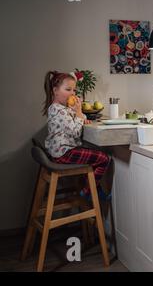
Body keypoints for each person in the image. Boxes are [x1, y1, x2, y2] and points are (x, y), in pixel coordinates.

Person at [42, 71, 110, 199]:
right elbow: (76, 132)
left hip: (61, 151)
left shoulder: (61, 109)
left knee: (92, 158)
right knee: (104, 158)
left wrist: (81, 116)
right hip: (64, 153)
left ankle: (93, 188)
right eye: (68, 89)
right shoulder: (58, 110)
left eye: (74, 90)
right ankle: (89, 191)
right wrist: (79, 114)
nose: (72, 93)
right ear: (55, 90)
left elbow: (75, 122)